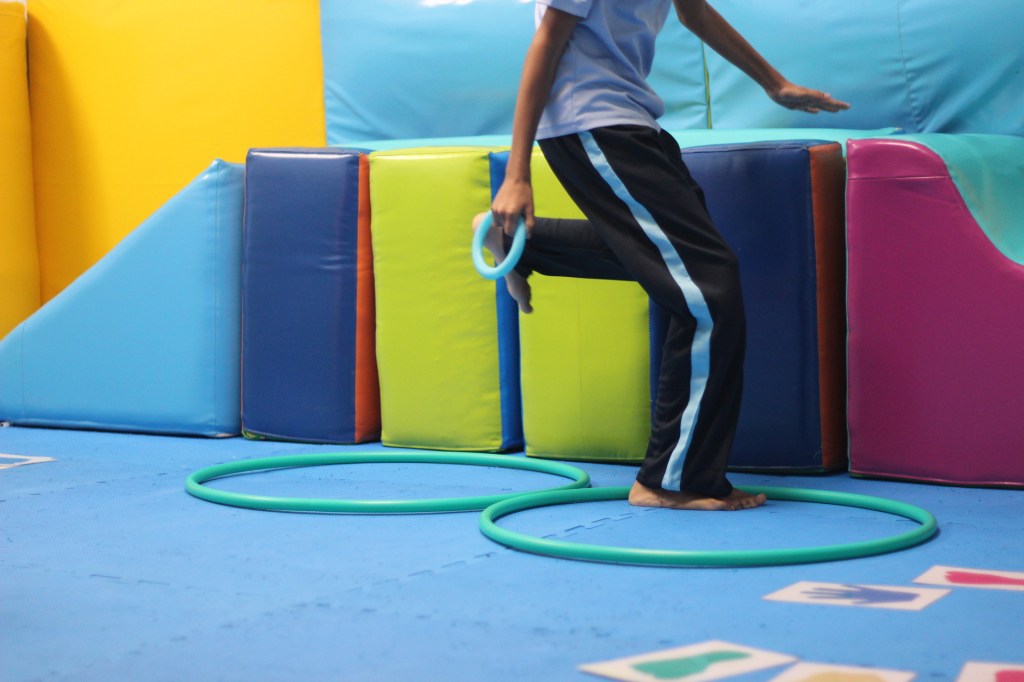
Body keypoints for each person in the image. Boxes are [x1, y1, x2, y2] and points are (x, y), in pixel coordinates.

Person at [475, 0, 850, 511]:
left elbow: (695, 12)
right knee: (709, 288)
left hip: (632, 120)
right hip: (591, 120)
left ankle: (528, 247)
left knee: (673, 266)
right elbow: (545, 43)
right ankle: (673, 480)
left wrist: (774, 84)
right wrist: (518, 174)